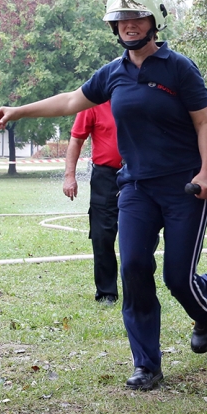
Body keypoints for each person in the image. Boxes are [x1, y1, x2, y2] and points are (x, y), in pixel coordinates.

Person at [0, 0, 207, 391]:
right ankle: (147, 364)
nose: (129, 24)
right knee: (133, 268)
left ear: (154, 21)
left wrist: (206, 172)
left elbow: (204, 123)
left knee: (177, 278)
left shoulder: (179, 68)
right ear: (113, 28)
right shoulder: (111, 75)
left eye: (136, 16)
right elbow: (68, 101)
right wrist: (19, 110)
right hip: (134, 187)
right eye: (120, 19)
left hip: (184, 187)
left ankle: (206, 310)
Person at [63, 101, 122, 306]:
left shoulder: (139, 98)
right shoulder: (93, 103)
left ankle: (139, 291)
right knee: (101, 235)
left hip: (137, 175)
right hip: (105, 176)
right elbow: (76, 139)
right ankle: (107, 293)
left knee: (141, 234)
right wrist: (70, 176)